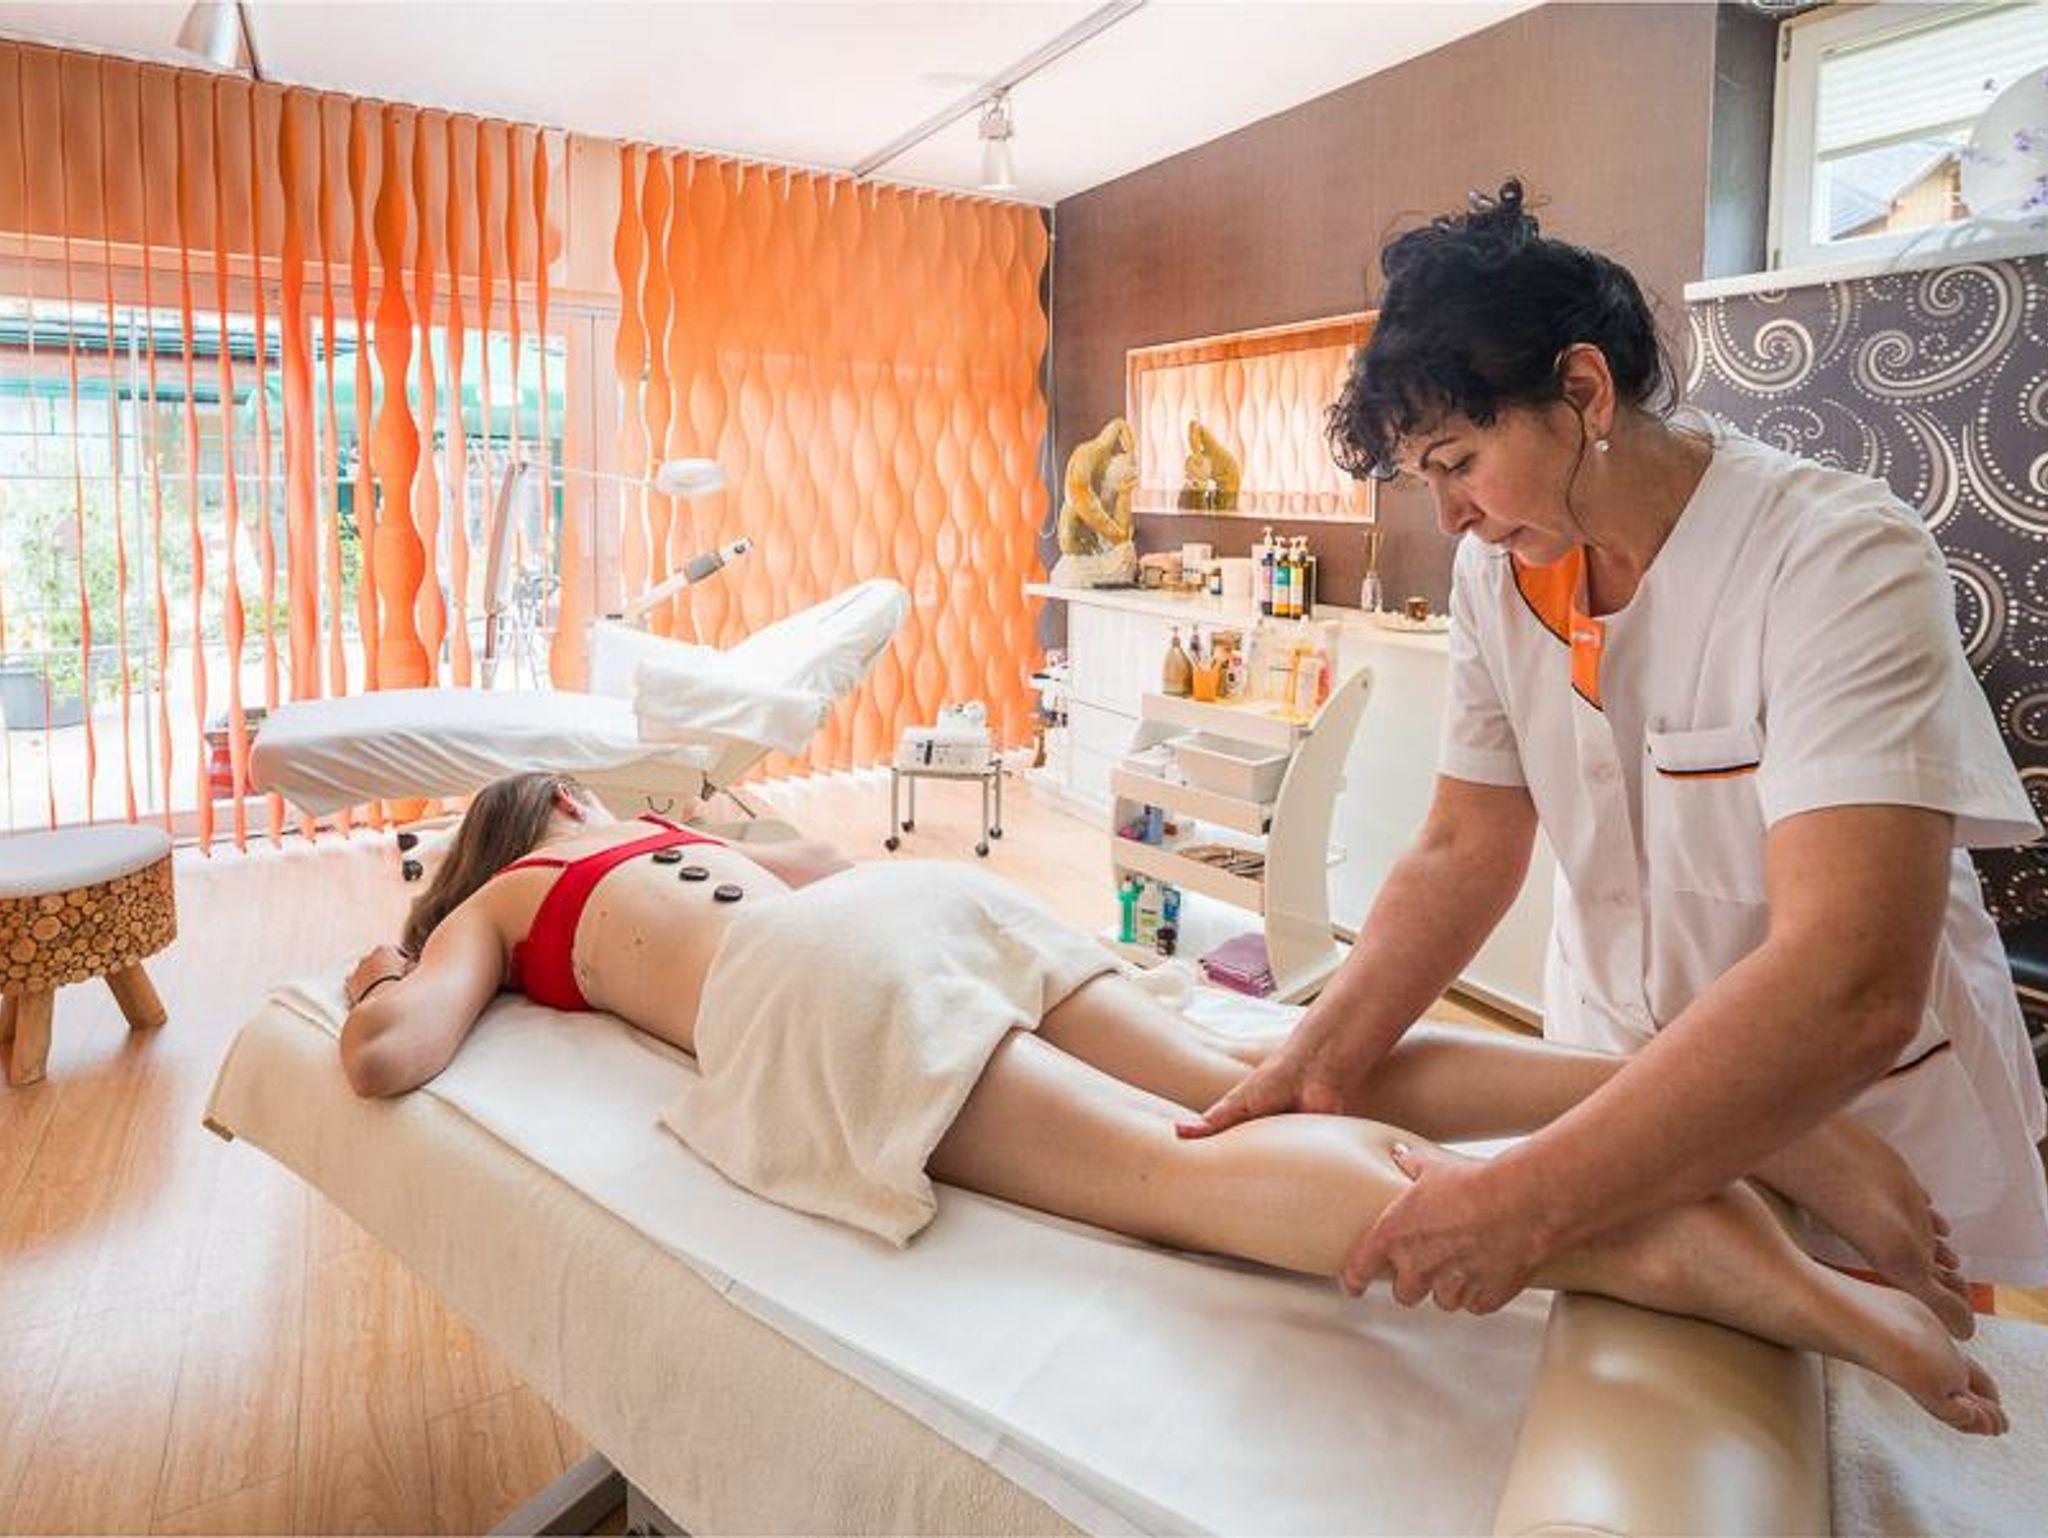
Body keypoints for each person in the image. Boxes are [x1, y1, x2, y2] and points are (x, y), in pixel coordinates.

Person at [340, 771, 2006, 1433]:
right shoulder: (671, 839)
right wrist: (723, 820)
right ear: (584, 800)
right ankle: (1707, 1111)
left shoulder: (513, 898)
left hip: (813, 983)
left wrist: (393, 963)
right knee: (1267, 1069)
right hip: (919, 906)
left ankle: (1663, 1248)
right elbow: (830, 861)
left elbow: (392, 1054)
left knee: (1175, 1168)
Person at [1180, 178, 2048, 1330]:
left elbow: (1848, 979)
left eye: (1455, 461)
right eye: (1424, 477)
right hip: (1612, 1062)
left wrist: (1520, 1202)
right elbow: (1461, 843)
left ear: (1583, 392)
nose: (1447, 517)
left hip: (1850, 1103)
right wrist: (1316, 1057)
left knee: (1876, 1395)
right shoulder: (1499, 573)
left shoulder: (1838, 558)